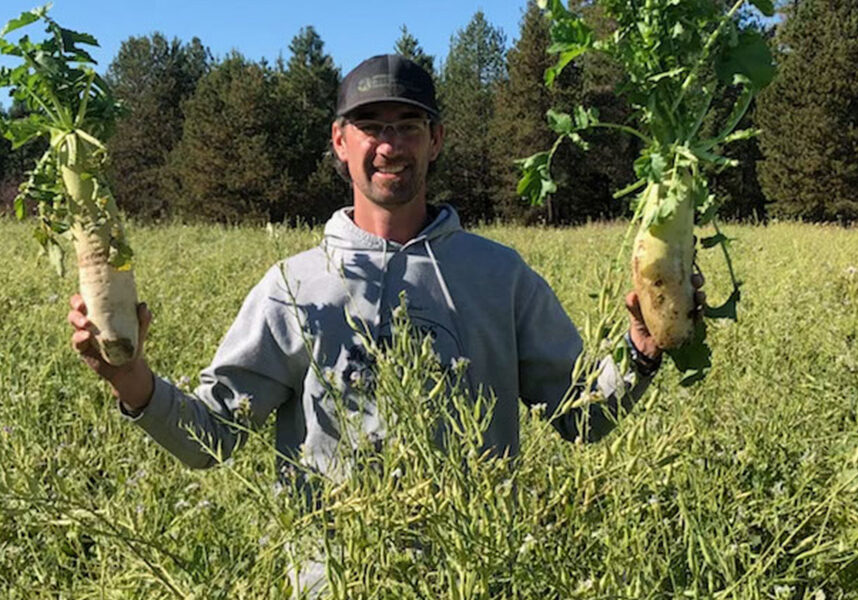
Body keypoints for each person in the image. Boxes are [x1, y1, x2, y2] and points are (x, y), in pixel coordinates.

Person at [69, 54, 699, 479]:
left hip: (474, 575)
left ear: (437, 140)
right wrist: (131, 378)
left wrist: (641, 353)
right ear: (340, 143)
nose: (390, 145)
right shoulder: (292, 288)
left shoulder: (501, 277)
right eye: (370, 126)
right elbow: (213, 437)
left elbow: (581, 417)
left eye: (408, 125)